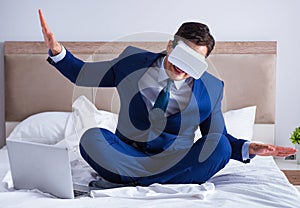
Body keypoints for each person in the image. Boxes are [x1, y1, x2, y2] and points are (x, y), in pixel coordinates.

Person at [38, 9, 296, 186]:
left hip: (175, 160)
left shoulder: (212, 88)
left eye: (195, 61)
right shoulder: (132, 62)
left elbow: (215, 137)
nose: (184, 67)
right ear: (171, 45)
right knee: (92, 137)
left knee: (220, 147)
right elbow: (84, 74)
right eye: (183, 54)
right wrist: (57, 50)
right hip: (128, 154)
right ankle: (153, 178)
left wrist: (248, 148)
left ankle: (133, 180)